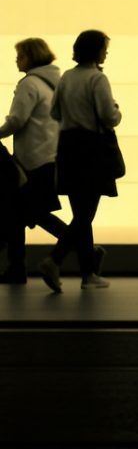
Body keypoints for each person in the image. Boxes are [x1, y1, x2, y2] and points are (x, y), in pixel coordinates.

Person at [44, 29, 120, 291]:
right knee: (86, 215)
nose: (106, 53)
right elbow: (108, 117)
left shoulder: (66, 77)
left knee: (80, 213)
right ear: (96, 51)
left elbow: (54, 112)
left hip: (68, 149)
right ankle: (54, 260)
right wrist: (117, 111)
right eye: (104, 48)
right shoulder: (97, 79)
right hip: (92, 150)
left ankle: (88, 274)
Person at [1, 39, 70, 287]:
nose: (16, 60)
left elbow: (17, 120)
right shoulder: (57, 82)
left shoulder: (29, 83)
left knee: (32, 212)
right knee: (18, 214)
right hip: (50, 155)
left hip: (30, 159)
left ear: (31, 57)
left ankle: (81, 244)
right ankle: (16, 268)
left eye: (20, 55)